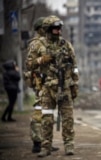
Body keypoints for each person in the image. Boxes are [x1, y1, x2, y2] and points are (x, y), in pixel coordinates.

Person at [27, 15, 79, 157]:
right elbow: (29, 64)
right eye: (55, 28)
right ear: (48, 29)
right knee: (47, 119)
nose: (58, 30)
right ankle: (46, 147)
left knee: (68, 118)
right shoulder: (39, 45)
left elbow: (74, 67)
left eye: (59, 28)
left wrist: (75, 85)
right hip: (48, 88)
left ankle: (69, 145)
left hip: (65, 87)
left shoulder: (66, 45)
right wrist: (41, 59)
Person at [25, 17, 59, 153]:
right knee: (39, 111)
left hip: (50, 81)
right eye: (46, 27)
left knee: (48, 112)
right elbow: (29, 64)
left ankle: (46, 142)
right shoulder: (36, 43)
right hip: (40, 81)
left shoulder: (49, 42)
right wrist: (42, 59)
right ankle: (37, 142)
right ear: (41, 29)